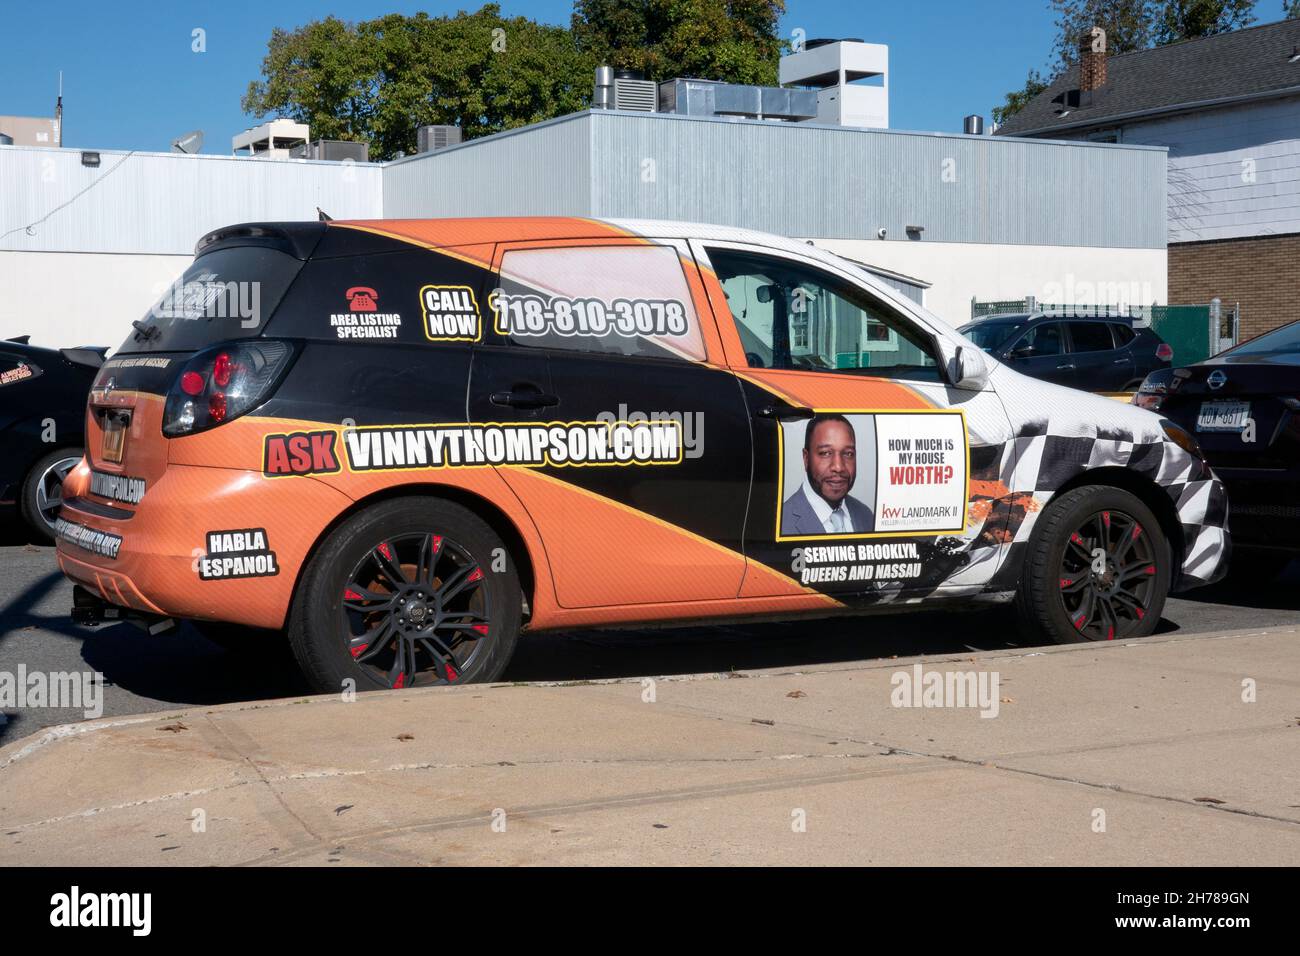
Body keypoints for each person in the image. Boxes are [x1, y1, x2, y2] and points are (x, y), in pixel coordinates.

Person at [781, 414, 875, 535]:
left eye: (848, 454)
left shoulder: (866, 515)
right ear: (806, 458)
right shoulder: (781, 524)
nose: (838, 467)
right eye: (825, 453)